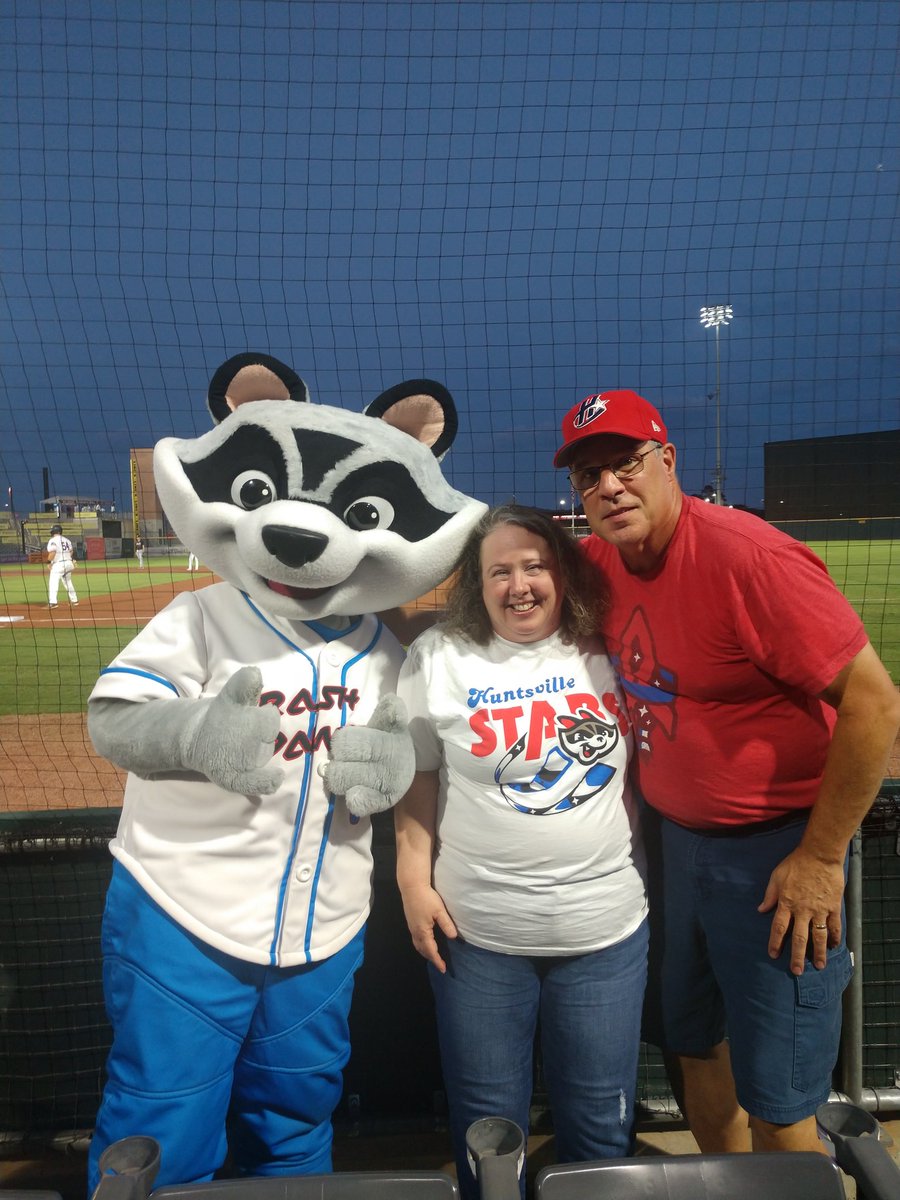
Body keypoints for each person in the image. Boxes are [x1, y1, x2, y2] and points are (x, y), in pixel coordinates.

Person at [553, 389, 900, 1156]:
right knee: (693, 1045)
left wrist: (820, 859)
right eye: (588, 475)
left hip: (776, 852)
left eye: (625, 463)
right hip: (673, 844)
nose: (608, 487)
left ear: (668, 460)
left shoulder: (749, 558)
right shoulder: (598, 563)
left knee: (779, 1092)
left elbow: (876, 705)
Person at [394, 504, 648, 1200]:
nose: (520, 586)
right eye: (499, 571)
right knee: (487, 1135)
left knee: (599, 1129)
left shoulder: (606, 646)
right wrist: (412, 881)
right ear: (477, 585)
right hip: (477, 938)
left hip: (605, 934)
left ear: (561, 572)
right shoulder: (439, 657)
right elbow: (416, 777)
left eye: (535, 566)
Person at [46, 523, 78, 608]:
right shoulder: (67, 540)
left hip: (59, 565)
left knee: (53, 582)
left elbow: (53, 552)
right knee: (68, 582)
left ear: (53, 531)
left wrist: (48, 562)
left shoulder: (53, 540)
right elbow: (71, 551)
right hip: (68, 564)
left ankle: (53, 602)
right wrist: (69, 559)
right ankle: (74, 600)